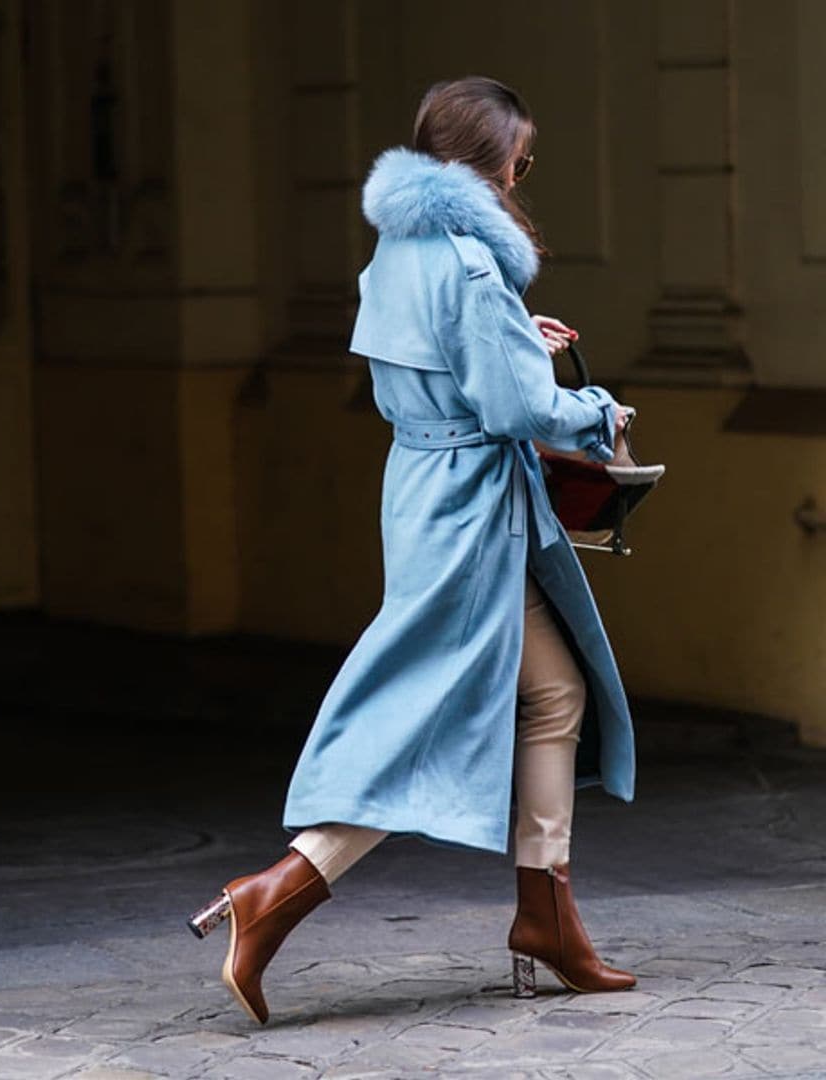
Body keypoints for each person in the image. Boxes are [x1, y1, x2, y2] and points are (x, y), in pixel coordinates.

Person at [187, 76, 637, 1024]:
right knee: (422, 716)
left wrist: (517, 337)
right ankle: (270, 896)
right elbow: (512, 409)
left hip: (427, 494)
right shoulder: (473, 264)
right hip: (477, 509)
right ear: (493, 160)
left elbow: (441, 363)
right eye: (523, 157)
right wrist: (597, 411)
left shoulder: (399, 248)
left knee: (551, 694)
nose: (524, 173)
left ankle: (546, 917)